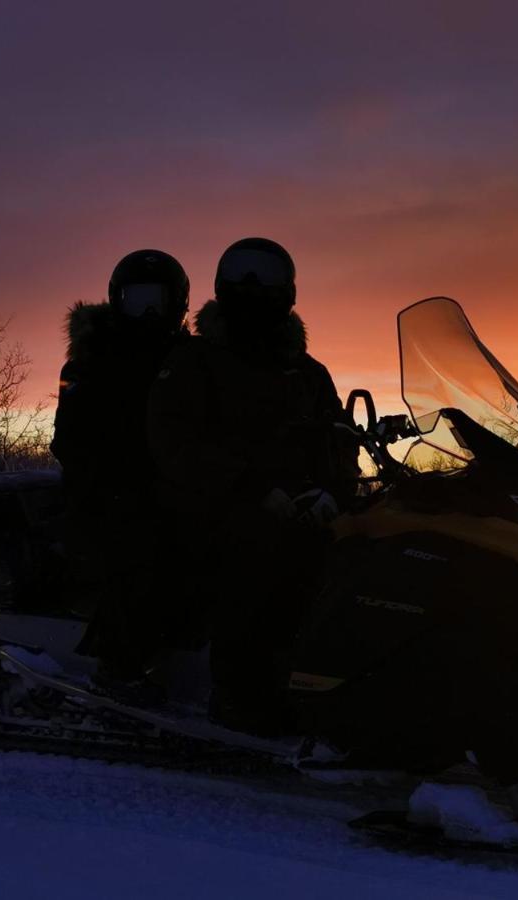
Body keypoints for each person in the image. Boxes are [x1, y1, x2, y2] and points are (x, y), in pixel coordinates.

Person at [148, 237, 358, 730]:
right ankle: (239, 692)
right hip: (209, 504)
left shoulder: (307, 373)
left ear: (286, 291)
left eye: (263, 278)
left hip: (298, 505)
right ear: (221, 286)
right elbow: (174, 440)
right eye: (241, 277)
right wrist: (250, 488)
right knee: (257, 553)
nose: (251, 288)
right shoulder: (192, 362)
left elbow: (340, 440)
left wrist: (334, 493)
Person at [50, 249, 191, 686]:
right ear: (117, 300)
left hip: (181, 488)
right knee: (142, 550)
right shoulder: (90, 364)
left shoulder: (191, 361)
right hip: (107, 498)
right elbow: (71, 442)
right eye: (137, 299)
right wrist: (128, 484)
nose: (148, 312)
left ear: (178, 304)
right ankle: (119, 667)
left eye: (158, 300)